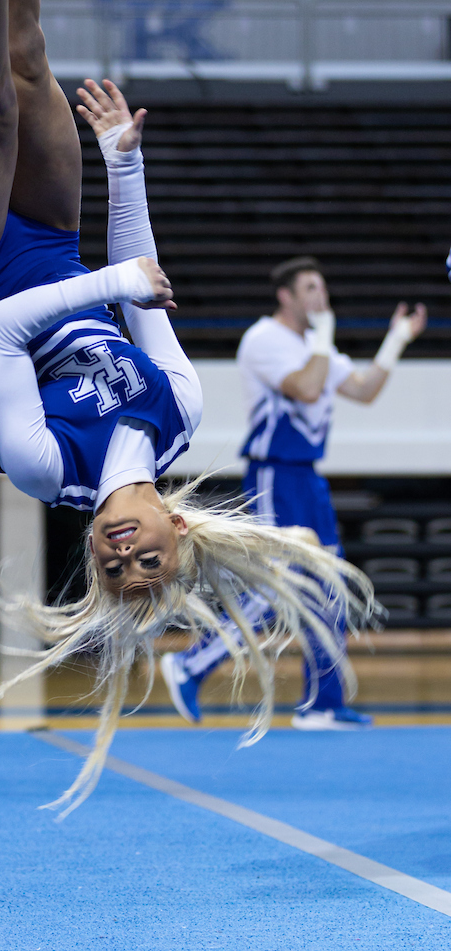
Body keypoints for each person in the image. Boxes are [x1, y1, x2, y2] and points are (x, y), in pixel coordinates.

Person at [0, 0, 374, 815]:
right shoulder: (175, 409)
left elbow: (1, 332)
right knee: (30, 59)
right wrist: (126, 163)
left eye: (114, 570)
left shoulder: (49, 467)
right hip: (51, 242)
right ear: (175, 529)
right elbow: (139, 273)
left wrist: (109, 289)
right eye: (148, 563)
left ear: (93, 553)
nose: (126, 556)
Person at [161, 256, 426, 732]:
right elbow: (306, 389)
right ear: (286, 296)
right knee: (274, 586)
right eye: (309, 289)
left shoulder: (314, 346)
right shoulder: (266, 340)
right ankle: (192, 665)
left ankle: (322, 703)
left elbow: (364, 390)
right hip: (274, 475)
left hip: (308, 479)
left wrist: (397, 339)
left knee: (329, 587)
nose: (319, 298)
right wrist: (324, 336)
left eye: (322, 288)